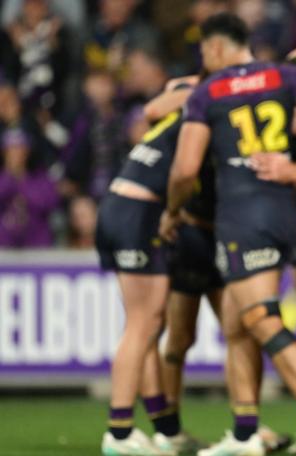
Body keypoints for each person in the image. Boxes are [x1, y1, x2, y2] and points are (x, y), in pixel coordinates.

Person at [160, 13, 296, 455]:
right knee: (237, 322)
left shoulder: (207, 92)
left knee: (259, 317)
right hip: (285, 209)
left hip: (242, 215)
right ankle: (246, 433)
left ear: (214, 48)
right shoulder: (283, 75)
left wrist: (172, 210)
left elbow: (185, 170)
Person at [96, 86, 204, 456]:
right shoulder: (203, 113)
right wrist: (175, 213)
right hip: (139, 212)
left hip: (118, 205)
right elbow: (185, 174)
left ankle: (164, 427)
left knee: (147, 326)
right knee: (142, 325)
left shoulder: (177, 111)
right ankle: (120, 432)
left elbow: (154, 106)